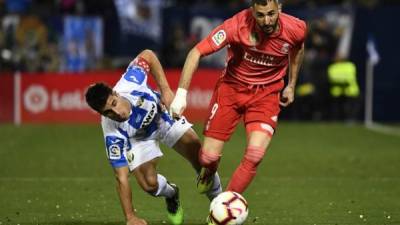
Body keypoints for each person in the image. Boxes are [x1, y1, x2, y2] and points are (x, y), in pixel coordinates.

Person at [170, 0, 307, 195]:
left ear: (280, 9)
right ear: (252, 11)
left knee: (255, 154)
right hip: (231, 90)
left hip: (266, 94)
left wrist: (291, 85)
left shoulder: (297, 28)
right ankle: (208, 171)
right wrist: (181, 95)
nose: (267, 21)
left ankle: (225, 205)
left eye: (271, 14)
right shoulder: (236, 26)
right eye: (260, 15)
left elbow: (298, 49)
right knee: (208, 158)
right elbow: (196, 52)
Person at [85, 49, 222, 225]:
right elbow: (121, 177)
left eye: (114, 104)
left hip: (162, 119)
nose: (117, 113)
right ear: (101, 114)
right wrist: (130, 217)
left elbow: (148, 55)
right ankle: (172, 194)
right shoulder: (112, 132)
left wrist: (165, 89)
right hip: (138, 140)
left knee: (200, 158)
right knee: (149, 184)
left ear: (116, 94)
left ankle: (220, 207)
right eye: (108, 113)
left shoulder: (130, 82)